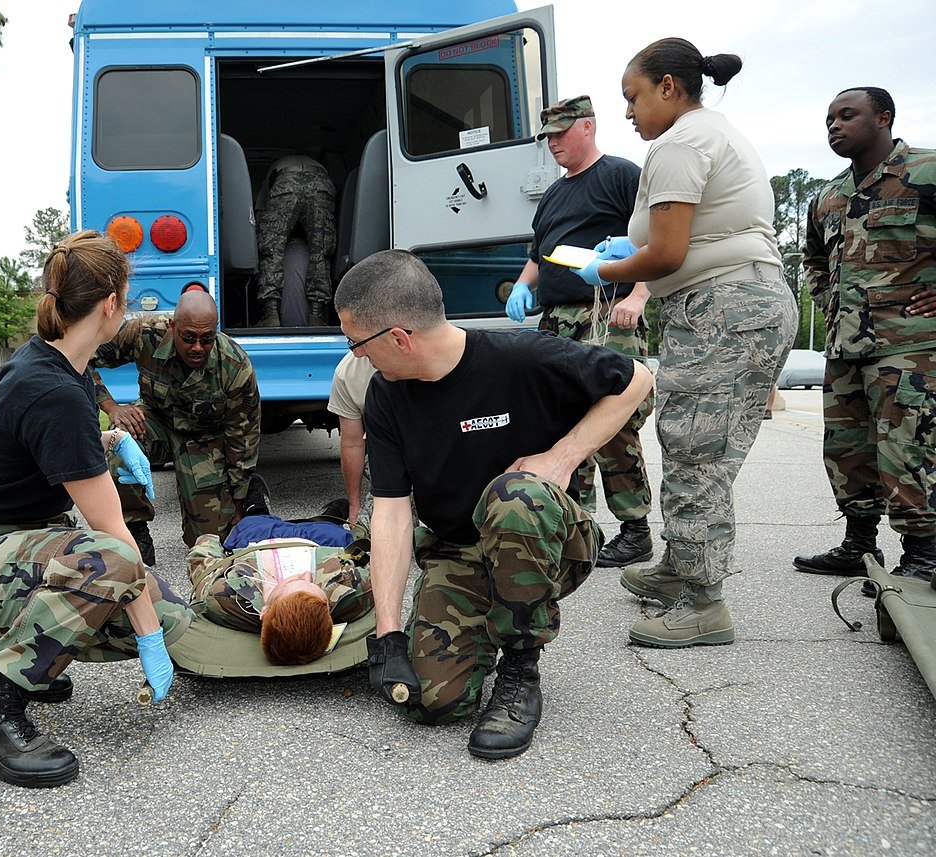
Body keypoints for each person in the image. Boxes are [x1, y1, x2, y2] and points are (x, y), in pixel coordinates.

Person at [335, 250, 652, 759]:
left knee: (514, 495)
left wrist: (562, 457)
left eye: (356, 343)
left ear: (398, 337)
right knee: (431, 703)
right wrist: (389, 634)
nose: (356, 356)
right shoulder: (386, 395)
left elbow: (637, 379)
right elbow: (393, 513)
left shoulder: (522, 358)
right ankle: (484, 620)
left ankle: (520, 671)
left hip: (545, 541)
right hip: (458, 552)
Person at [0, 230, 191, 788]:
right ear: (112, 303)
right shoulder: (57, 391)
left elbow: (47, 457)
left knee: (168, 612)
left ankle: (37, 661)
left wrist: (112, 443)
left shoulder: (58, 364)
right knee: (117, 569)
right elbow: (113, 535)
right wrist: (147, 638)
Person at [572, 38, 796, 647]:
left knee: (699, 451)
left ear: (669, 87)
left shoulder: (680, 144)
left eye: (633, 97)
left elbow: (667, 252)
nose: (628, 112)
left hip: (726, 308)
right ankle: (680, 567)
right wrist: (632, 257)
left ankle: (703, 603)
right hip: (729, 304)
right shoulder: (705, 134)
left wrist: (607, 271)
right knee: (689, 441)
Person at [792, 87, 936, 590]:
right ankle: (859, 543)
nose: (834, 125)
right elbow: (813, 258)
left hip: (911, 348)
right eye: (829, 118)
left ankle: (923, 555)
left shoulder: (926, 172)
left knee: (908, 449)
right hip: (846, 347)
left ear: (884, 118)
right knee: (848, 450)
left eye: (847, 116)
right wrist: (829, 301)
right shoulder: (828, 196)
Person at [506, 94, 656, 568]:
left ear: (587, 127)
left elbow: (659, 242)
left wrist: (637, 297)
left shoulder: (619, 175)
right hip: (556, 320)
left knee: (611, 419)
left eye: (560, 133)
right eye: (547, 136)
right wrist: (523, 286)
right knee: (561, 420)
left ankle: (635, 530)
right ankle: (577, 526)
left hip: (606, 312)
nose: (552, 143)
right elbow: (539, 252)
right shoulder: (553, 193)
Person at [91, 287, 264, 557]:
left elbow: (242, 437)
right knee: (119, 441)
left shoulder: (234, 366)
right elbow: (82, 355)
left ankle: (245, 499)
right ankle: (133, 531)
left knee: (212, 543)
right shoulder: (144, 334)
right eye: (188, 337)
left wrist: (238, 499)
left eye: (207, 339)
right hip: (154, 422)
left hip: (205, 441)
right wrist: (111, 406)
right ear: (172, 327)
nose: (197, 347)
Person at [186, 509, 373, 665]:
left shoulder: (225, 597)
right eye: (312, 583)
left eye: (293, 581)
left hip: (258, 538)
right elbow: (374, 566)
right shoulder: (355, 593)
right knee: (333, 527)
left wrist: (210, 539)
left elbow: (200, 558)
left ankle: (257, 506)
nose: (306, 575)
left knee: (251, 520)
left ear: (264, 611)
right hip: (321, 540)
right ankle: (331, 512)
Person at [254, 155, 336, 327]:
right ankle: (316, 315)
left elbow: (260, 214)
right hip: (321, 183)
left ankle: (271, 315)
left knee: (271, 251)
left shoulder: (274, 170)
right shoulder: (321, 166)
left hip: (286, 182)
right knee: (320, 251)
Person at [327, 351, 377, 529]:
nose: (357, 351)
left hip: (437, 450)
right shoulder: (347, 372)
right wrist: (354, 506)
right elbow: (353, 443)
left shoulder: (427, 356)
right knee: (373, 529)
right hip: (391, 456)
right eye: (351, 341)